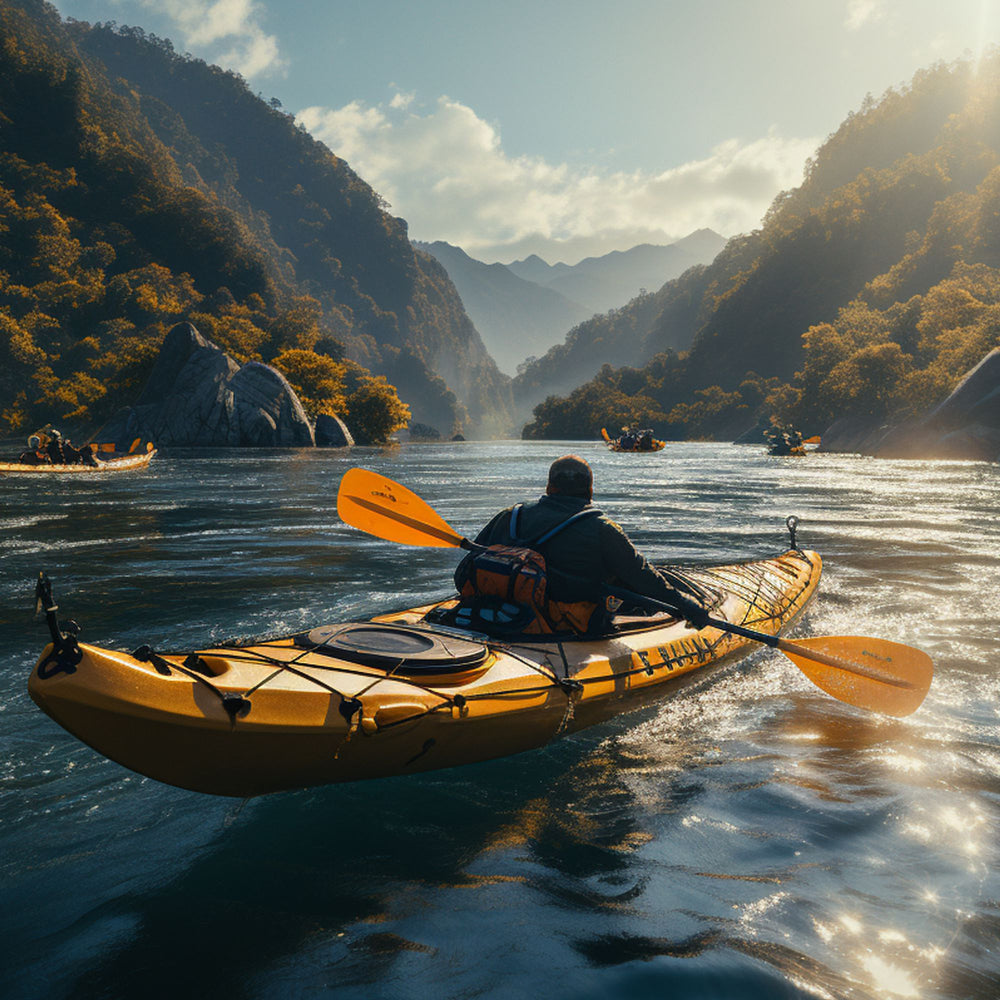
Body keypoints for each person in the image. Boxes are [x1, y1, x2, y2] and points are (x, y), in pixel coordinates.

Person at [454, 454, 711, 633]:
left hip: (498, 613)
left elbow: (461, 575)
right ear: (590, 491)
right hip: (565, 626)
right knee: (624, 584)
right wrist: (687, 605)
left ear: (549, 487)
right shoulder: (603, 529)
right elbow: (644, 578)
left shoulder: (510, 515)